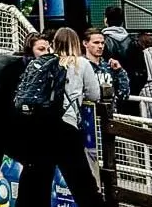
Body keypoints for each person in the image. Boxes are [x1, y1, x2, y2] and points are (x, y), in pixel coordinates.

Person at [15, 27, 104, 207]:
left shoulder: (45, 62)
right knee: (82, 182)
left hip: (41, 127)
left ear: (53, 44)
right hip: (66, 127)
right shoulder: (81, 63)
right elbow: (95, 95)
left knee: (37, 181)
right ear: (76, 44)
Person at [0, 33, 50, 207]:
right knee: (33, 161)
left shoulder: (9, 62)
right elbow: (18, 103)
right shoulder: (26, 69)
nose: (45, 53)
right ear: (31, 50)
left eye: (47, 49)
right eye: (41, 49)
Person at [102, 6, 146, 112]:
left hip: (111, 90)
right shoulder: (133, 42)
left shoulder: (102, 41)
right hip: (133, 89)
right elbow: (142, 69)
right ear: (122, 22)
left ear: (106, 20)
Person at [83, 27, 130, 108]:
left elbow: (124, 94)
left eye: (102, 43)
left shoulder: (109, 67)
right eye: (96, 43)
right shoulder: (80, 66)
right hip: (89, 114)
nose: (100, 46)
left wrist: (120, 71)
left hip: (109, 112)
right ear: (85, 43)